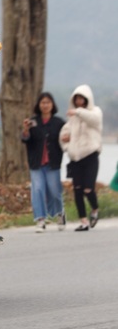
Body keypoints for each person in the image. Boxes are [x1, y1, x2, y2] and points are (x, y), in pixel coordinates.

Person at [60, 85, 103, 231]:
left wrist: (78, 112)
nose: (79, 101)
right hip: (75, 158)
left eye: (81, 98)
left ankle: (95, 209)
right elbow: (63, 135)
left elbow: (94, 120)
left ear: (87, 99)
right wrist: (68, 146)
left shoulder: (95, 111)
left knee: (88, 189)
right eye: (76, 99)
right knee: (77, 190)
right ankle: (84, 221)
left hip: (90, 156)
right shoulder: (72, 117)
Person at [21, 92, 66, 233]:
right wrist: (26, 130)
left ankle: (60, 213)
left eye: (48, 102)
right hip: (36, 164)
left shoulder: (59, 123)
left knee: (54, 191)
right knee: (38, 189)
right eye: (43, 102)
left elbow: (64, 138)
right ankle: (40, 219)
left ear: (52, 105)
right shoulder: (33, 122)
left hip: (53, 163)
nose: (45, 105)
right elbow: (25, 140)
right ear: (39, 105)